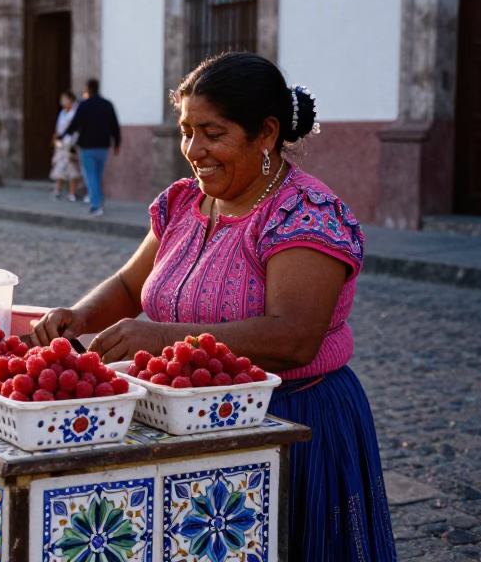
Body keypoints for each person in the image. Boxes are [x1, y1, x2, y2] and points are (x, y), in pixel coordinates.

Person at [32, 52, 394, 560]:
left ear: (265, 134)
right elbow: (130, 285)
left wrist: (161, 338)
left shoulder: (304, 213)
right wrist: (78, 316)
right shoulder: (183, 203)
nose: (193, 149)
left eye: (212, 133)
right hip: (188, 421)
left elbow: (293, 337)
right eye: (186, 131)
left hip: (290, 425)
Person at [62, 78, 120, 217]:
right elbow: (114, 125)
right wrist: (117, 143)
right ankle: (98, 199)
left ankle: (95, 205)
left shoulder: (84, 105)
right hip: (103, 146)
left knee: (90, 176)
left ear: (88, 88)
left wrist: (63, 135)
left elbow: (75, 124)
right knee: (97, 175)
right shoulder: (107, 104)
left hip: (88, 146)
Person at [50, 91, 83, 201]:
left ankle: (72, 193)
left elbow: (76, 130)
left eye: (65, 99)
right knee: (59, 166)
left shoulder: (75, 112)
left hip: (71, 144)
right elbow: (58, 128)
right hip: (61, 144)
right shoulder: (62, 113)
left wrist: (73, 144)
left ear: (71, 99)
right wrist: (56, 138)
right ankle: (57, 190)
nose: (63, 101)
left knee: (72, 168)